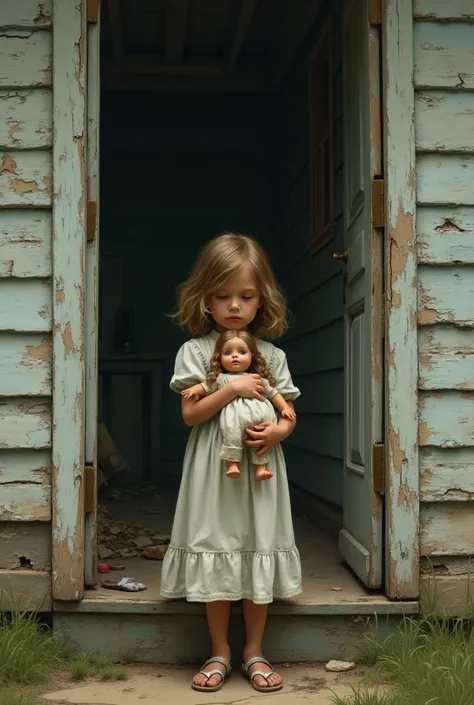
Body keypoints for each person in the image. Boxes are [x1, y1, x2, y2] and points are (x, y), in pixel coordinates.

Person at [160, 233, 302, 693]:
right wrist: (231, 390)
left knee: (257, 540)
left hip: (259, 467)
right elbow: (190, 414)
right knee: (217, 542)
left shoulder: (272, 357)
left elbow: (289, 414)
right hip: (213, 470)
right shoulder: (196, 353)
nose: (234, 306)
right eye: (222, 296)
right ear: (204, 297)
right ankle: (219, 649)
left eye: (245, 296)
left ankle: (253, 650)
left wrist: (279, 432)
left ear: (262, 299)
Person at [181, 329, 296, 481]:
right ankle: (232, 464)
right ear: (219, 357)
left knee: (257, 441)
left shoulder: (259, 377)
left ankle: (261, 468)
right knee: (232, 436)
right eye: (228, 353)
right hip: (228, 427)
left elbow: (275, 394)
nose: (235, 356)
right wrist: (195, 390)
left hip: (259, 426)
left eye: (242, 352)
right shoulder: (221, 378)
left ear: (252, 356)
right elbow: (206, 387)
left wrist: (284, 410)